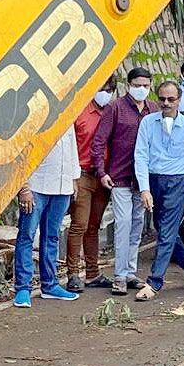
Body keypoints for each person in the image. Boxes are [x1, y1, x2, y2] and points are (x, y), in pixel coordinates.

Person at [134, 81, 184, 301]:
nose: (166, 103)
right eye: (162, 99)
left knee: (166, 232)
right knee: (162, 229)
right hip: (154, 180)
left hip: (177, 181)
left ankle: (154, 282)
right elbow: (141, 156)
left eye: (171, 99)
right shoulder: (147, 123)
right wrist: (144, 188)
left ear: (179, 100)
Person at [92, 67, 159, 295]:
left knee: (137, 226)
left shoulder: (153, 109)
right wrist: (102, 171)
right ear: (129, 85)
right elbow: (99, 141)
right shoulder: (115, 108)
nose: (142, 89)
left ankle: (130, 272)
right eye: (137, 85)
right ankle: (119, 276)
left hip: (143, 181)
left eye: (146, 86)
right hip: (119, 177)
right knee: (123, 225)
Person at [12, 128, 81, 308]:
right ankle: (23, 288)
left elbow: (72, 148)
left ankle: (50, 285)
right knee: (27, 235)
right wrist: (24, 187)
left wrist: (74, 179)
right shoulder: (37, 115)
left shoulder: (68, 114)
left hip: (62, 187)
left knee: (52, 236)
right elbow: (21, 151)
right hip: (36, 186)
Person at [66, 75, 117, 291]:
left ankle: (92, 272)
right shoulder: (80, 112)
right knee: (79, 225)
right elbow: (69, 146)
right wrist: (72, 177)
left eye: (109, 89)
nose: (105, 93)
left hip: (103, 177)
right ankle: (73, 274)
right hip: (82, 174)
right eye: (101, 88)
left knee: (94, 226)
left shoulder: (113, 112)